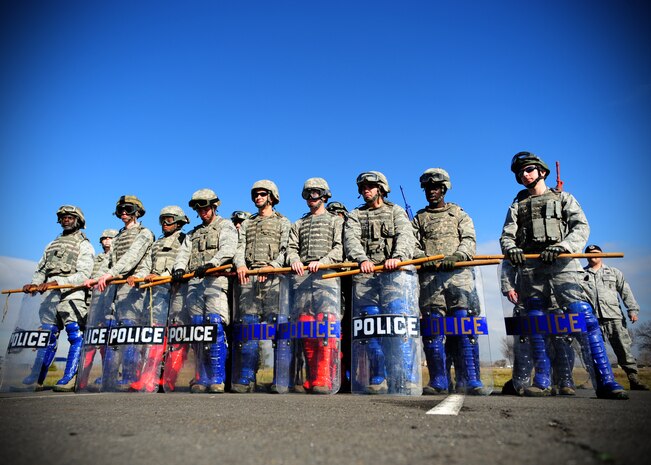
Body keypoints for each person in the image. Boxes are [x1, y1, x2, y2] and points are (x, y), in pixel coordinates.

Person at [500, 151, 627, 399]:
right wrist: (511, 248)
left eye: (528, 170)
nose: (524, 175)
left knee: (584, 320)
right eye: (520, 173)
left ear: (542, 171)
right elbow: (506, 235)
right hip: (531, 272)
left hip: (563, 267)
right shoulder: (516, 206)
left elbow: (582, 226)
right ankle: (542, 381)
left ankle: (606, 381)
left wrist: (564, 247)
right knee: (536, 323)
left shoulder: (564, 198)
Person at [412, 168, 486, 395]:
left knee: (463, 329)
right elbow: (411, 244)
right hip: (431, 282)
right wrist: (422, 259)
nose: (431, 192)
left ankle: (470, 379)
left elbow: (470, 240)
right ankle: (438, 380)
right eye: (427, 189)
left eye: (435, 188)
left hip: (459, 279)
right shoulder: (419, 218)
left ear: (444, 189)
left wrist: (457, 257)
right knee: (433, 331)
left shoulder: (459, 214)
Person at [344, 171, 419, 394]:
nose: (365, 190)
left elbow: (406, 236)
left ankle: (405, 376)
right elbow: (350, 240)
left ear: (381, 188)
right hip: (365, 280)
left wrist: (397, 257)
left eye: (370, 186)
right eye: (362, 187)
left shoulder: (395, 211)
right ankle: (378, 376)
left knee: (398, 328)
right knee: (371, 331)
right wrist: (362, 259)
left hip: (393, 278)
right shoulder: (355, 215)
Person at [21, 205, 94, 391]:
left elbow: (84, 274)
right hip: (49, 298)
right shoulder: (51, 244)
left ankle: (69, 379)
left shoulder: (84, 244)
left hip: (72, 296)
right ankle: (37, 378)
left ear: (78, 221)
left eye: (70, 217)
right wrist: (34, 284)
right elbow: (41, 270)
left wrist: (57, 282)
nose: (66, 220)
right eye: (63, 217)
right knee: (46, 337)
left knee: (75, 336)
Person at [86, 195, 154, 391]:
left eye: (128, 209)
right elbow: (110, 262)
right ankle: (109, 378)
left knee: (129, 331)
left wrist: (110, 274)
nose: (124, 213)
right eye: (121, 210)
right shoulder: (117, 238)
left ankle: (130, 378)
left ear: (137, 212)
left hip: (132, 289)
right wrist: (95, 277)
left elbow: (132, 258)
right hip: (113, 289)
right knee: (113, 334)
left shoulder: (145, 233)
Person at [172, 189, 237, 393]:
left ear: (214, 206)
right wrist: (179, 268)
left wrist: (212, 263)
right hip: (194, 285)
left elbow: (228, 248)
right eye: (199, 209)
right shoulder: (193, 233)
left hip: (215, 281)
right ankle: (202, 377)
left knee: (214, 328)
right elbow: (183, 254)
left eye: (206, 208)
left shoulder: (225, 226)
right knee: (197, 331)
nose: (203, 213)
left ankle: (217, 379)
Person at [232, 180, 291, 393]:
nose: (258, 197)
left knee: (276, 331)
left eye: (262, 194)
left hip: (274, 280)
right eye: (255, 194)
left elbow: (287, 250)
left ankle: (279, 379)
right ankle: (246, 378)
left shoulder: (283, 222)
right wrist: (240, 265)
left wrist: (272, 266)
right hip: (249, 280)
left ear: (271, 196)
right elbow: (239, 247)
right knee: (249, 329)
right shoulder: (248, 223)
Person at [286, 177, 344, 394]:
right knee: (307, 330)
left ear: (325, 196)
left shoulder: (336, 222)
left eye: (316, 193)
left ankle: (325, 378)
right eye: (308, 193)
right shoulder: (298, 224)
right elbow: (291, 248)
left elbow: (340, 249)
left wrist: (323, 262)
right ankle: (312, 379)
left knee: (326, 330)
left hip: (326, 281)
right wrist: (294, 260)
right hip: (302, 283)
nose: (311, 197)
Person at [127, 206, 189, 392]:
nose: (164, 223)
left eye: (169, 220)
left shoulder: (185, 240)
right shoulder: (156, 243)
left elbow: (184, 262)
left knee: (177, 336)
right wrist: (138, 276)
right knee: (155, 336)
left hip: (179, 293)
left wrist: (163, 274)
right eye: (162, 220)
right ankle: (148, 377)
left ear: (178, 222)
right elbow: (147, 264)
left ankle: (169, 379)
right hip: (156, 295)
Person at [581, 244, 649, 391]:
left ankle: (633, 378)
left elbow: (625, 291)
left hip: (614, 317)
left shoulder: (613, 272)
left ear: (602, 254)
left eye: (597, 252)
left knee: (623, 348)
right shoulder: (580, 274)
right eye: (590, 253)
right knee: (594, 349)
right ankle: (593, 379)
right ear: (585, 256)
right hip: (592, 319)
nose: (593, 254)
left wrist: (632, 309)